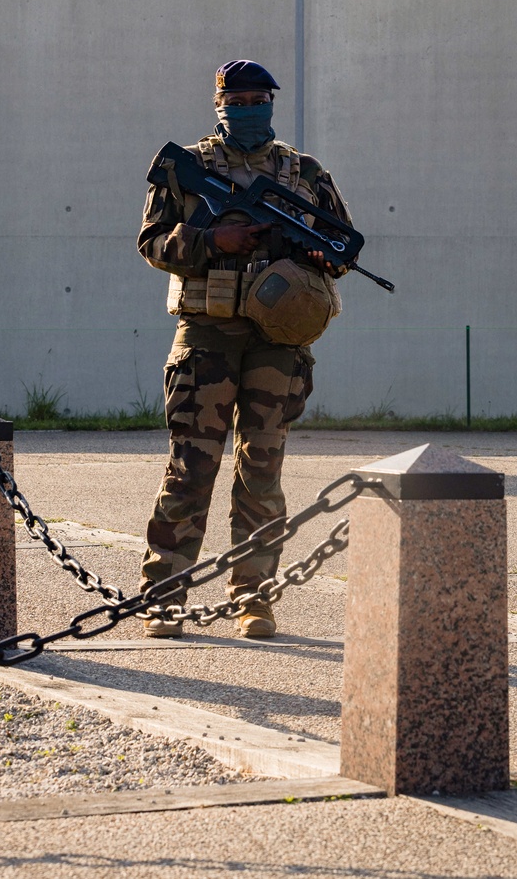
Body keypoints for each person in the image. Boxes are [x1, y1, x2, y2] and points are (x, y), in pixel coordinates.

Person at [137, 59, 353, 639]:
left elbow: (340, 244)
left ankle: (253, 598)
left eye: (261, 99)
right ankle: (164, 597)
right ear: (220, 104)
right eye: (241, 99)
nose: (251, 109)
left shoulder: (304, 171)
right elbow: (152, 242)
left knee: (263, 469)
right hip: (206, 334)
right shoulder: (188, 167)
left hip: (276, 341)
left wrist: (323, 259)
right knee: (191, 468)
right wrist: (213, 239)